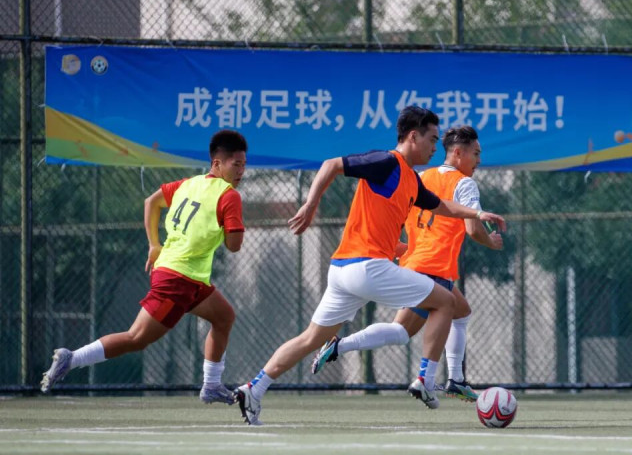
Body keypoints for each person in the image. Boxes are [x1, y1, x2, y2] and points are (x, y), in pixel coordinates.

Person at [234, 106, 506, 425]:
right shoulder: (387, 162)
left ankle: (253, 388)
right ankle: (427, 380)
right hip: (367, 267)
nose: (435, 147)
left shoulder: (412, 179)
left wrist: (477, 213)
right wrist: (310, 205)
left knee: (311, 338)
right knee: (446, 302)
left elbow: (442, 206)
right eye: (432, 139)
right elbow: (332, 164)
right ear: (413, 136)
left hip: (343, 271)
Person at [40, 130, 248, 405]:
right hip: (179, 279)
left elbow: (152, 202)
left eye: (244, 165)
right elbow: (234, 246)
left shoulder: (188, 184)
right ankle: (72, 358)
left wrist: (154, 245)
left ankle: (211, 385)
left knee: (223, 316)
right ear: (217, 163)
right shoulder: (229, 196)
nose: (241, 171)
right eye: (236, 164)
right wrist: (234, 226)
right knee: (136, 338)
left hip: (186, 275)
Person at [310, 126, 502, 403]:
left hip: (414, 261)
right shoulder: (464, 183)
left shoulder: (420, 177)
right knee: (408, 328)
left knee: (457, 313)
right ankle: (430, 378)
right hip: (436, 265)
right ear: (458, 153)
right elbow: (473, 229)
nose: (479, 160)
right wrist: (491, 242)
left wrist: (401, 249)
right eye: (476, 153)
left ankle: (455, 379)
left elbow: (402, 217)